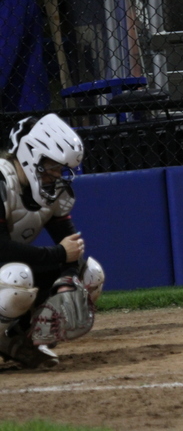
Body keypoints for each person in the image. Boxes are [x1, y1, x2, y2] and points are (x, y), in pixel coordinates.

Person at [0, 113, 105, 368]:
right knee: (17, 278)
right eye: (53, 166)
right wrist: (59, 255)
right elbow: (0, 250)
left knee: (88, 275)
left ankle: (18, 341)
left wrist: (67, 278)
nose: (58, 175)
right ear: (31, 156)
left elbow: (71, 247)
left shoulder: (51, 191)